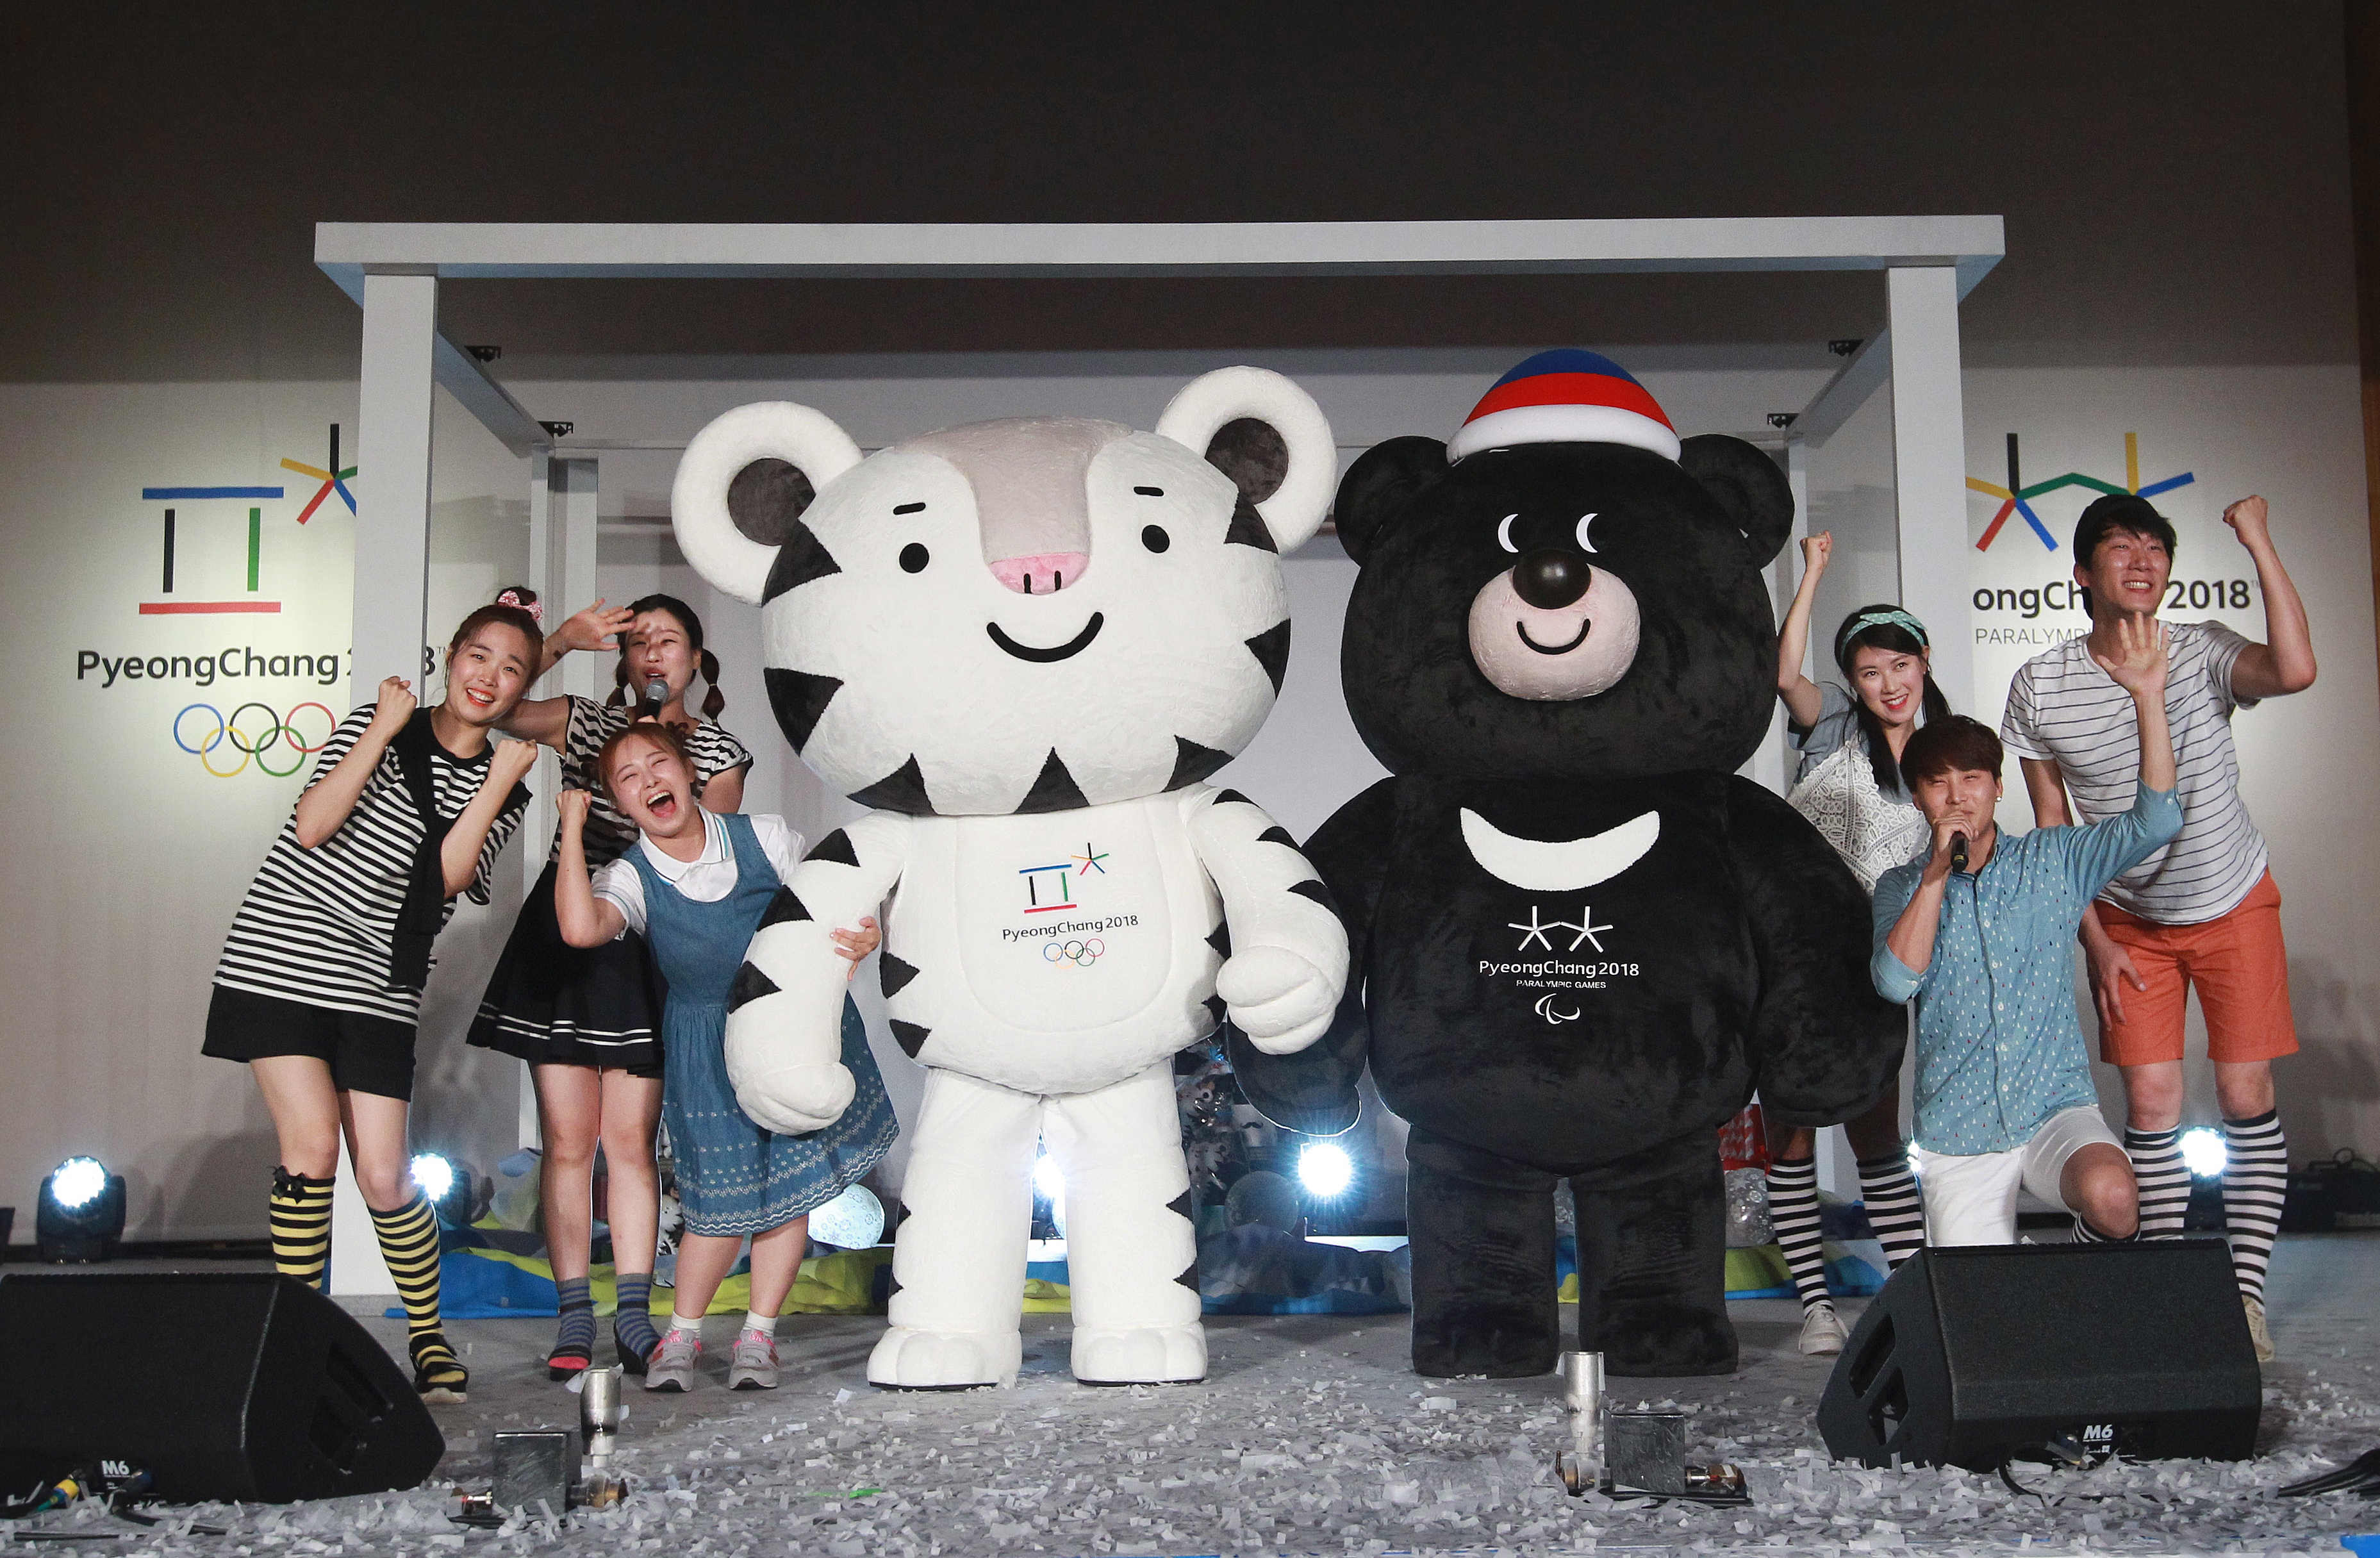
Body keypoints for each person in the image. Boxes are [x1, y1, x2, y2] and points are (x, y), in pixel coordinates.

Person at [204, 591, 545, 1402]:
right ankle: (298, 1336)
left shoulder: (511, 780)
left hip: (381, 981)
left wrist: (497, 781)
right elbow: (314, 824)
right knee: (312, 1147)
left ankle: (428, 1339)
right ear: (450, 656)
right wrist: (382, 732)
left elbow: (448, 879)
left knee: (388, 1178)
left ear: (522, 688)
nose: (488, 677)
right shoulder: (379, 721)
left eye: (511, 669)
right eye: (478, 656)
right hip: (282, 955)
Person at [2002, 493, 2314, 1361]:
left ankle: (2242, 1295)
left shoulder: (2203, 649)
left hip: (2230, 898)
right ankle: (2169, 1289)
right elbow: (2054, 829)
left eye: (2153, 547)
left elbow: (2294, 670)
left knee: (2244, 1093)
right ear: (2081, 575)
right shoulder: (2040, 683)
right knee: (2150, 1102)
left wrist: (2256, 537)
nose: (2141, 559)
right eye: (2119, 547)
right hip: (2127, 922)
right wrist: (2094, 938)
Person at [468, 592, 791, 1379]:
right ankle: (574, 1313)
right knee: (567, 1140)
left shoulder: (717, 749)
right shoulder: (584, 720)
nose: (653, 654)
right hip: (570, 935)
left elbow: (706, 868)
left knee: (632, 1145)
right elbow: (493, 707)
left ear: (696, 659)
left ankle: (636, 1316)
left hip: (649, 942)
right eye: (639, 643)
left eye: (669, 641)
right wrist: (559, 641)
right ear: (623, 660)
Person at [555, 722, 896, 1393]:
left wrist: (864, 935)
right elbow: (579, 927)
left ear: (687, 772)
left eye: (659, 764)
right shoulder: (630, 873)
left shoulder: (764, 837)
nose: (650, 780)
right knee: (716, 1201)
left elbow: (836, 905)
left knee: (790, 1189)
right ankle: (681, 1337)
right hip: (704, 1042)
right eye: (629, 777)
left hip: (786, 1022)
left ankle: (758, 1339)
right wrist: (569, 829)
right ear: (619, 803)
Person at [1873, 614, 2181, 1252]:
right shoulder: (1901, 887)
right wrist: (1935, 875)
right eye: (1938, 783)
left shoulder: (2054, 859)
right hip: (1958, 1130)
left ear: (1997, 787)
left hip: (2055, 1110)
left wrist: (2149, 700)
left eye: (1971, 779)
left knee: (2116, 1198)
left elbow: (2156, 821)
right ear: (1920, 800)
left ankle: (2073, 1272)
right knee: (1980, 1319)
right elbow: (1894, 982)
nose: (1957, 796)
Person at [1766, 530, 1942, 1355]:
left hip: (1884, 962)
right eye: (1871, 671)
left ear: (1924, 663)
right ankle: (1815, 1306)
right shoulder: (1831, 724)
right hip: (1802, 956)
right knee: (1793, 1127)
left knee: (1877, 1125)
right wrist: (1813, 575)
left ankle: (1911, 1290)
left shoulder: (1948, 749)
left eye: (1899, 667)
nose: (1888, 684)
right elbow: (1783, 675)